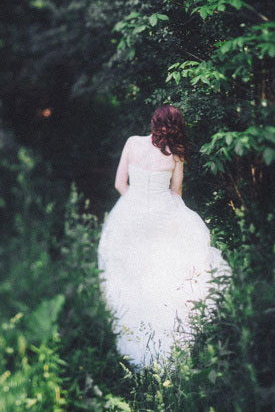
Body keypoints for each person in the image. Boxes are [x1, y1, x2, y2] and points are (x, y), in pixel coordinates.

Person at [97, 105, 230, 370]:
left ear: (153, 123)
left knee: (129, 273)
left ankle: (130, 338)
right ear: (176, 127)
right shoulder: (176, 154)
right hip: (161, 214)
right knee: (165, 272)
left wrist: (135, 205)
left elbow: (119, 183)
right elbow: (176, 191)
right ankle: (165, 341)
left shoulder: (132, 143)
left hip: (130, 213)